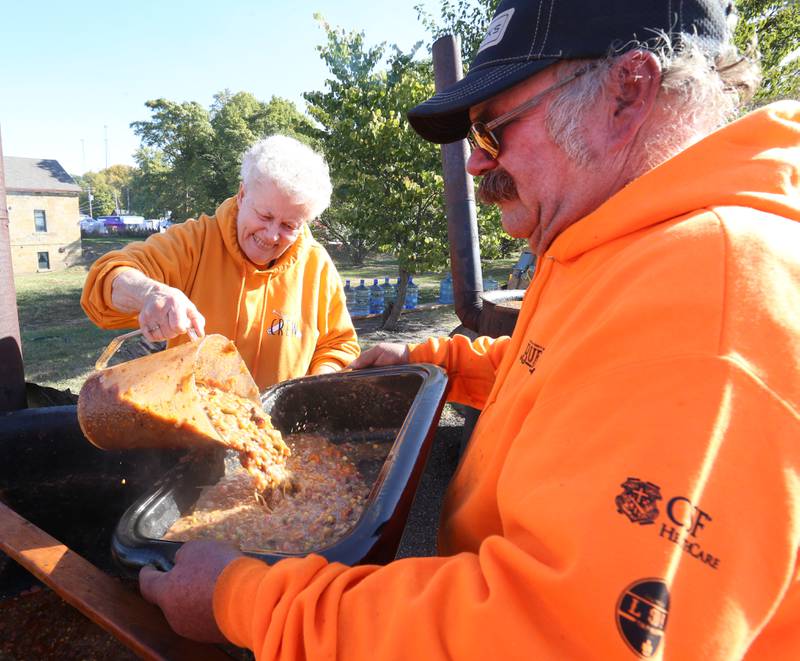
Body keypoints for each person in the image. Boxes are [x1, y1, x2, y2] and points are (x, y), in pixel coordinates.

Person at [138, 1, 800, 658]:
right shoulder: (618, 246)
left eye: (495, 128)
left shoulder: (709, 292)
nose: (479, 162)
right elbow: (573, 370)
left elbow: (561, 637)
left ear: (628, 92)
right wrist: (440, 361)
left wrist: (246, 600)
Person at [81, 135, 359, 390]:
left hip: (277, 431)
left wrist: (315, 385)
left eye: (289, 225)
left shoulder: (316, 265)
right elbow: (107, 278)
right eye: (264, 216)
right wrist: (150, 293)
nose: (272, 235)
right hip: (194, 424)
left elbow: (338, 345)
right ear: (242, 195)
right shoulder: (194, 242)